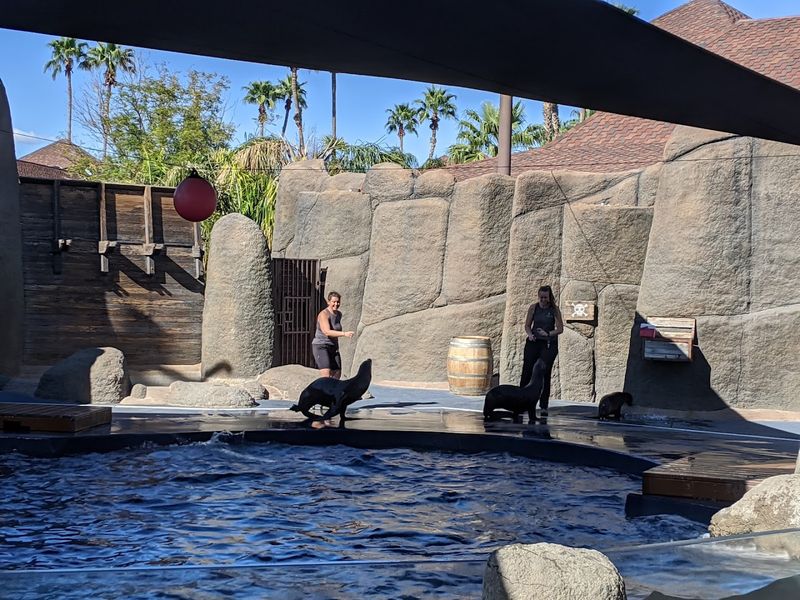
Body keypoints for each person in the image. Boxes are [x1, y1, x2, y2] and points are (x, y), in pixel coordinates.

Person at [520, 285, 564, 417]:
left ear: (549, 297)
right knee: (527, 370)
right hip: (534, 342)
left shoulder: (554, 310)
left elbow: (560, 329)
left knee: (544, 372)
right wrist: (530, 334)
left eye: (545, 297)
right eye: (541, 297)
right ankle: (521, 401)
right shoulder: (533, 308)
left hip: (547, 343)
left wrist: (547, 333)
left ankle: (543, 404)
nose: (543, 300)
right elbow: (527, 325)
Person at [312, 291, 354, 379]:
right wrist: (344, 334)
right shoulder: (323, 314)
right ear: (328, 302)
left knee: (337, 372)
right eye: (333, 302)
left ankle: (333, 392)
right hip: (321, 345)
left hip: (333, 347)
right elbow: (327, 332)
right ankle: (324, 391)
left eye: (338, 302)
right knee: (326, 375)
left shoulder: (339, 314)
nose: (336, 304)